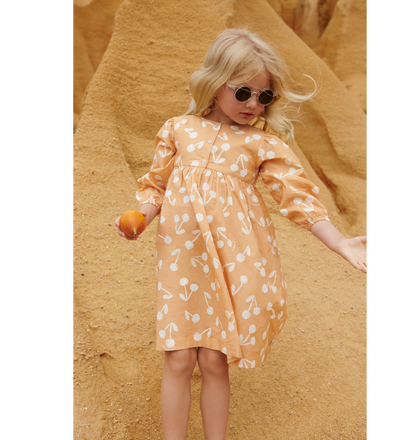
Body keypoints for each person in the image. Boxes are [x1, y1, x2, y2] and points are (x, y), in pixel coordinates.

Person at [115, 28, 369, 440]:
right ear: (215, 85)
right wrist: (139, 218)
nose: (253, 104)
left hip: (235, 259)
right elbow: (156, 187)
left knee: (214, 360)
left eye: (264, 96)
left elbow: (298, 198)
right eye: (243, 92)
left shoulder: (262, 144)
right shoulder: (179, 129)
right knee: (178, 358)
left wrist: (339, 241)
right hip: (181, 258)